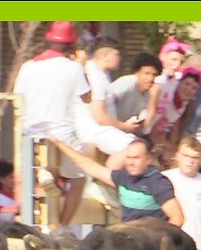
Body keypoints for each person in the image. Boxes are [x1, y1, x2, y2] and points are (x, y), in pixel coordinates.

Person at [12, 21, 90, 234]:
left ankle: (46, 175)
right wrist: (83, 66)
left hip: (32, 133)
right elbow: (88, 97)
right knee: (79, 179)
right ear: (70, 46)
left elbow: (19, 98)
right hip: (62, 133)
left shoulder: (28, 66)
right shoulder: (73, 68)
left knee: (42, 175)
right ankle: (62, 225)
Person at [48, 135, 184, 226]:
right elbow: (90, 167)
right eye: (128, 158)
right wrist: (59, 143)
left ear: (148, 159)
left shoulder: (157, 182)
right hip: (129, 236)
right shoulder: (122, 177)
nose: (131, 163)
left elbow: (177, 218)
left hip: (151, 238)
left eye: (136, 158)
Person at [75, 36, 140, 171]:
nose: (120, 58)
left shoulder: (101, 73)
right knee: (133, 147)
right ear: (106, 56)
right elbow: (99, 116)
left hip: (101, 129)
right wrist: (124, 126)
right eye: (117, 54)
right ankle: (106, 178)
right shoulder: (95, 77)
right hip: (95, 130)